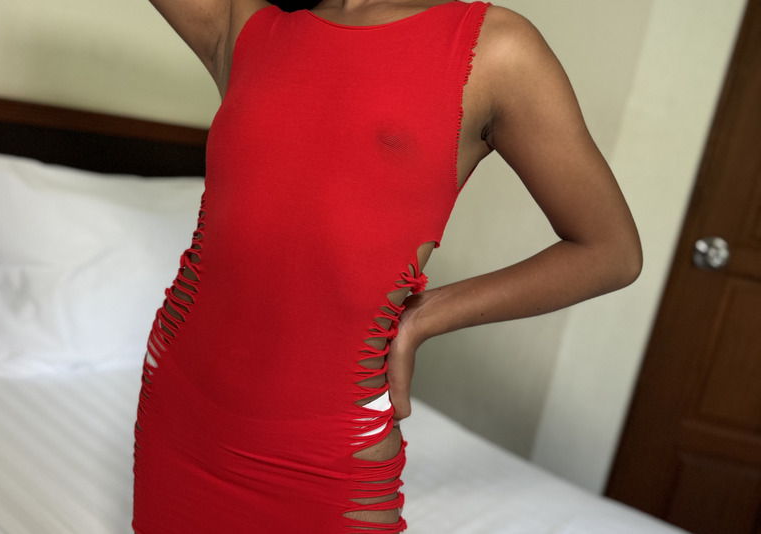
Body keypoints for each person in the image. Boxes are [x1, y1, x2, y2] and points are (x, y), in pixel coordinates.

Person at [132, 0, 642, 532]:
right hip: (179, 415)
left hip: (329, 451)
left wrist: (423, 317)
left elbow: (610, 251)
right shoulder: (246, 24)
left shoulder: (495, 49)